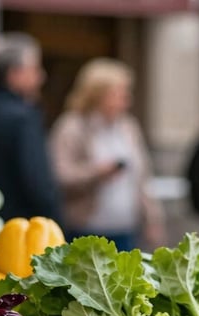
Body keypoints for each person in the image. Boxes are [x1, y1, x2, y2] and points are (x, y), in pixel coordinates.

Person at [49, 58, 164, 250]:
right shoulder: (72, 127)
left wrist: (152, 218)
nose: (126, 99)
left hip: (126, 228)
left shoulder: (128, 127)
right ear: (97, 94)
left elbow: (142, 178)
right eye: (118, 93)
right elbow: (59, 175)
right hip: (86, 229)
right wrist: (97, 173)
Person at [0, 32, 62, 222]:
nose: (41, 77)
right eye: (35, 69)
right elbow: (37, 183)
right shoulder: (23, 117)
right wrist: (54, 220)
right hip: (20, 229)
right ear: (14, 73)